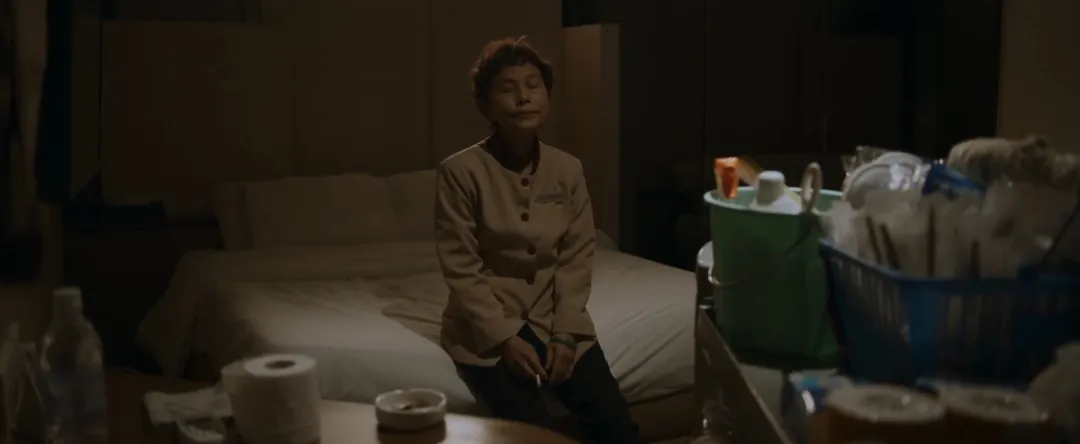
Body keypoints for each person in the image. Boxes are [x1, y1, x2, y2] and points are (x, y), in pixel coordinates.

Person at [433, 36, 641, 444]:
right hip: (488, 326)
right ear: (486, 106)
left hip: (554, 318)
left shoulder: (568, 169)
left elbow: (576, 255)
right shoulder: (460, 172)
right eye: (508, 89)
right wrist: (504, 339)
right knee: (532, 434)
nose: (524, 97)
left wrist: (566, 331)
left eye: (533, 85)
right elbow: (461, 266)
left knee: (616, 428)